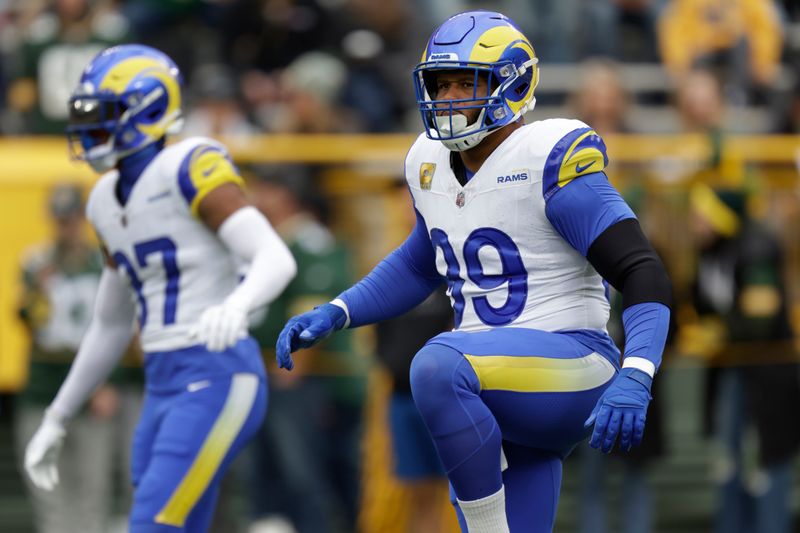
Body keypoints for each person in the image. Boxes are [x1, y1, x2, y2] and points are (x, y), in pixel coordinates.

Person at [276, 10, 672, 533]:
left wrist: (638, 374)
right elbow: (422, 260)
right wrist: (340, 310)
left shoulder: (547, 157)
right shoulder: (428, 162)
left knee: (437, 366)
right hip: (493, 383)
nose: (449, 99)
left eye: (468, 82)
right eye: (441, 86)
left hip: (572, 362)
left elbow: (642, 269)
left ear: (514, 84)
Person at [22, 44, 297, 533]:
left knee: (152, 524)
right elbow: (109, 322)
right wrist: (59, 414)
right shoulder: (104, 200)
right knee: (174, 522)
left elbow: (275, 257)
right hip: (162, 380)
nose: (88, 130)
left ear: (145, 110)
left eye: (102, 116)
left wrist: (236, 305)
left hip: (217, 373)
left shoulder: (189, 165)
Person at [245, 166, 366, 533]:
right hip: (275, 375)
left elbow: (314, 308)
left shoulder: (310, 241)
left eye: (263, 188)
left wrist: (297, 363)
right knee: (270, 477)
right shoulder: (274, 241)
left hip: (304, 378)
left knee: (305, 475)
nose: (255, 199)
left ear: (284, 195)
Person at [15, 183, 142, 533]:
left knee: (93, 492)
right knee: (49, 493)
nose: (65, 228)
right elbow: (29, 323)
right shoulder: (36, 262)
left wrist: (109, 382)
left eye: (70, 220)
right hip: (44, 386)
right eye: (60, 220)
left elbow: (117, 328)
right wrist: (38, 291)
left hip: (92, 389)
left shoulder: (100, 261)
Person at [687, 183, 800, 533]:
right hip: (733, 374)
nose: (694, 223)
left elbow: (761, 315)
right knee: (729, 466)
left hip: (768, 379)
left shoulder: (758, 246)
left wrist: (722, 332)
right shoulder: (711, 253)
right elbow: (703, 303)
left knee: (764, 470)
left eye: (700, 215)